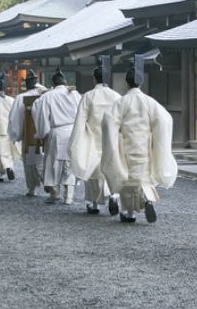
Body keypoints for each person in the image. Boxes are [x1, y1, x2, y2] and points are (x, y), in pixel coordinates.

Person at [101, 57, 177, 224]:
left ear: (126, 83)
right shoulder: (151, 102)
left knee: (128, 179)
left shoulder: (121, 102)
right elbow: (164, 121)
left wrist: (115, 136)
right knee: (143, 177)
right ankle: (147, 200)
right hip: (145, 144)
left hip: (125, 144)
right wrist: (155, 137)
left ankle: (129, 213)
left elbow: (108, 122)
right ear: (140, 83)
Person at [68, 59, 120, 215]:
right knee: (112, 167)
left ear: (94, 78)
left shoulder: (88, 96)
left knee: (92, 171)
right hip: (112, 137)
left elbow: (80, 120)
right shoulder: (116, 96)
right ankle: (113, 194)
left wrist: (75, 142)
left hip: (92, 136)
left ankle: (94, 203)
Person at [32, 69, 81, 205]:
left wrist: (42, 133)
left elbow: (41, 115)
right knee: (70, 164)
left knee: (53, 164)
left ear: (53, 84)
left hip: (56, 132)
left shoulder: (48, 96)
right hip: (73, 131)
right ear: (65, 83)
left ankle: (55, 193)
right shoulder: (75, 94)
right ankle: (69, 196)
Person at [8, 70, 47, 197]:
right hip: (45, 135)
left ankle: (32, 188)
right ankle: (48, 184)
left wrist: (16, 135)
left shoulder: (20, 98)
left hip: (29, 135)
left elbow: (15, 119)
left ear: (26, 84)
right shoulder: (44, 95)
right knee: (44, 161)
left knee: (29, 162)